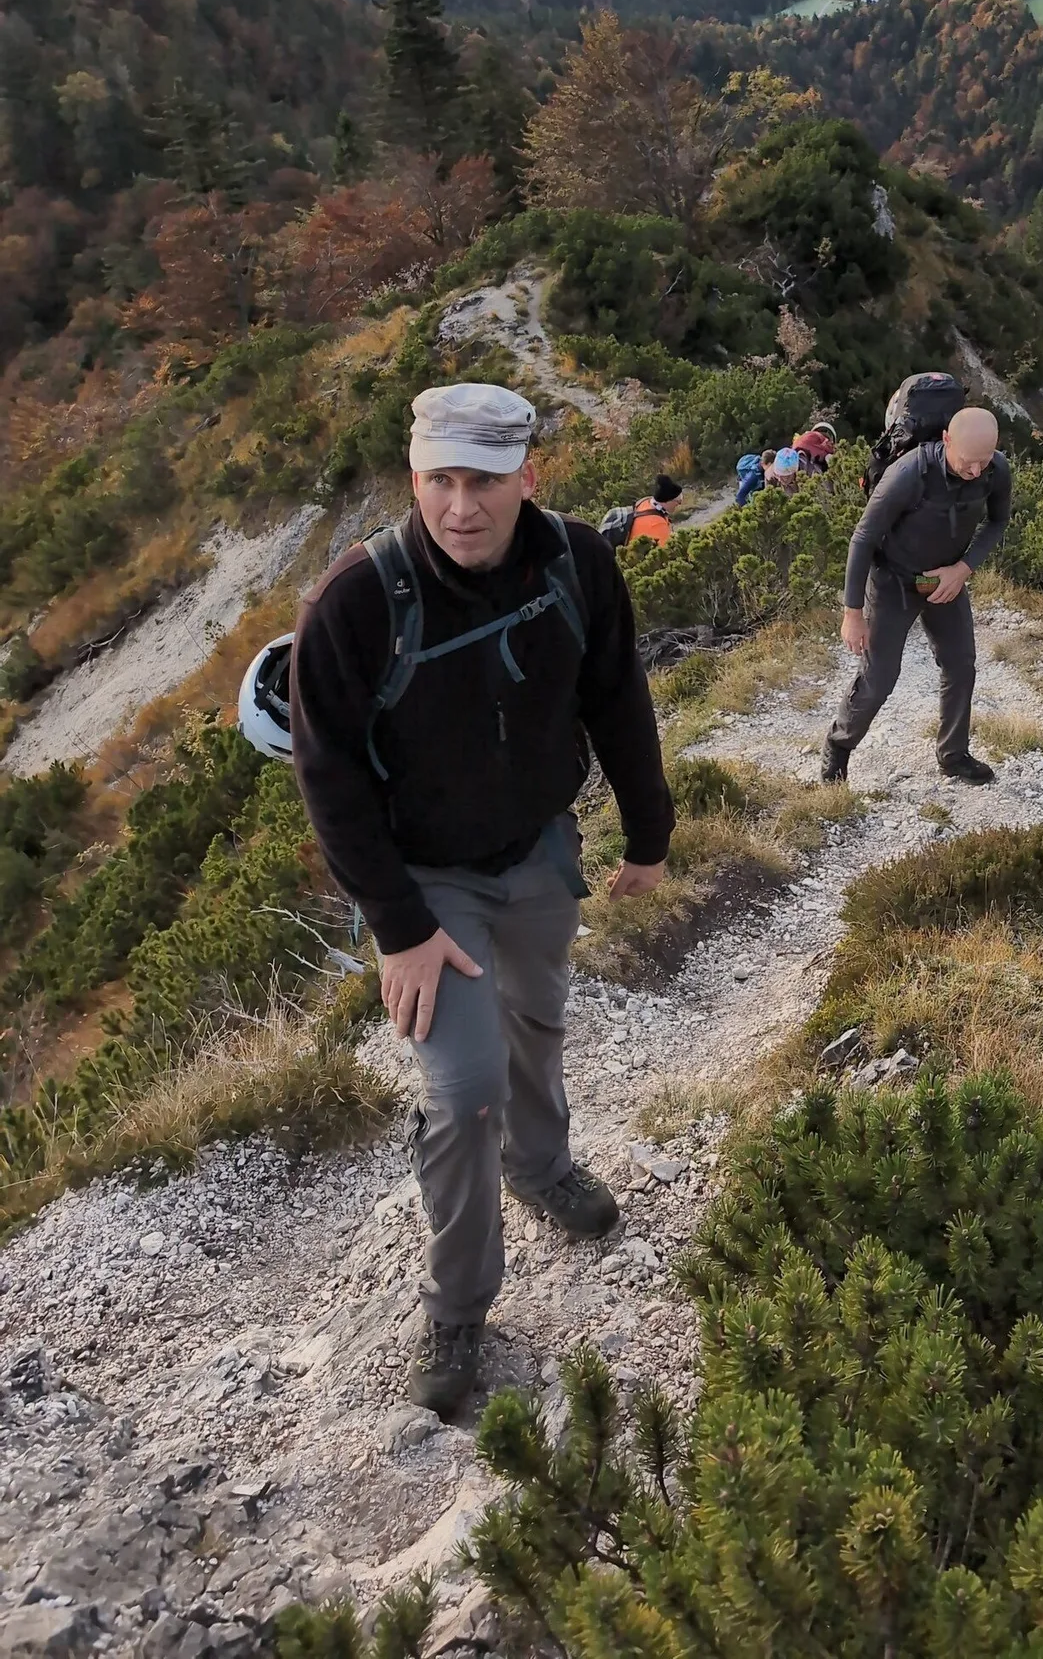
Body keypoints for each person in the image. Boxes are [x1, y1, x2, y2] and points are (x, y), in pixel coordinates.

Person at [289, 382, 674, 1418]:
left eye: (486, 482)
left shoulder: (576, 563)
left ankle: (543, 1167)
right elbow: (329, 778)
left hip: (538, 848)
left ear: (528, 479)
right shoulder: (357, 603)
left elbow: (616, 693)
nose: (462, 506)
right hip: (427, 882)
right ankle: (459, 1305)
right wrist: (400, 930)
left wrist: (649, 834)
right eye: (440, 481)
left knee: (539, 1022)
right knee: (463, 1092)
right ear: (415, 478)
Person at [822, 403, 1009, 787]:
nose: (976, 471)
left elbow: (998, 520)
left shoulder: (996, 470)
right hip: (894, 581)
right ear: (946, 440)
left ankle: (953, 754)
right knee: (880, 677)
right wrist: (852, 612)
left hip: (943, 582)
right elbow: (863, 538)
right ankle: (838, 747)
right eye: (968, 462)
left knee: (961, 665)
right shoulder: (909, 474)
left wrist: (963, 569)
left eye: (984, 461)